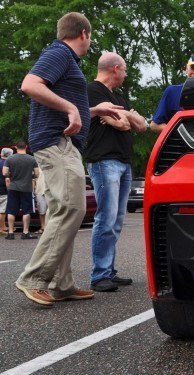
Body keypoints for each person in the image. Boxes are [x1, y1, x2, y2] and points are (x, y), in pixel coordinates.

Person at [15, 12, 122, 306]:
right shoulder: (59, 52)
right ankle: (33, 278)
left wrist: (93, 111)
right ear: (84, 34)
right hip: (56, 142)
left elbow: (59, 100)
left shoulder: (63, 59)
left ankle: (62, 284)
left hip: (58, 142)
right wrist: (72, 110)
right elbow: (30, 85)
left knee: (65, 210)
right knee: (73, 208)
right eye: (90, 37)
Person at [84, 52, 146, 292]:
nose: (126, 75)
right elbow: (120, 123)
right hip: (103, 160)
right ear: (116, 68)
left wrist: (123, 115)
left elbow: (139, 125)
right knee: (106, 217)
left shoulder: (119, 96)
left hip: (123, 161)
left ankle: (109, 270)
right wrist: (122, 117)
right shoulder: (92, 91)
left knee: (117, 220)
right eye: (125, 70)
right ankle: (99, 275)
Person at [149, 52, 194, 132]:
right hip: (178, 144)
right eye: (192, 68)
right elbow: (154, 125)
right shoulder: (172, 92)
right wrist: (182, 134)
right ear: (186, 69)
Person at [3, 141, 39, 240]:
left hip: (13, 187)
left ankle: (10, 233)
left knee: (11, 210)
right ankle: (25, 232)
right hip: (26, 188)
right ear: (26, 147)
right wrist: (29, 175)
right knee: (26, 210)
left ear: (16, 147)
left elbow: (5, 173)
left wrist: (12, 175)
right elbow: (37, 174)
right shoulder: (32, 159)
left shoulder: (10, 158)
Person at [0, 147, 11, 236]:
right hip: (3, 190)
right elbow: (7, 180)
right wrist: (9, 190)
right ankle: (1, 229)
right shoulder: (6, 165)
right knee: (2, 211)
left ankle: (3, 227)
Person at [34, 168, 47, 234]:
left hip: (52, 191)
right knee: (42, 211)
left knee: (52, 211)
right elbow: (33, 179)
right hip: (40, 191)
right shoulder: (37, 166)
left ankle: (50, 228)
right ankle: (43, 227)